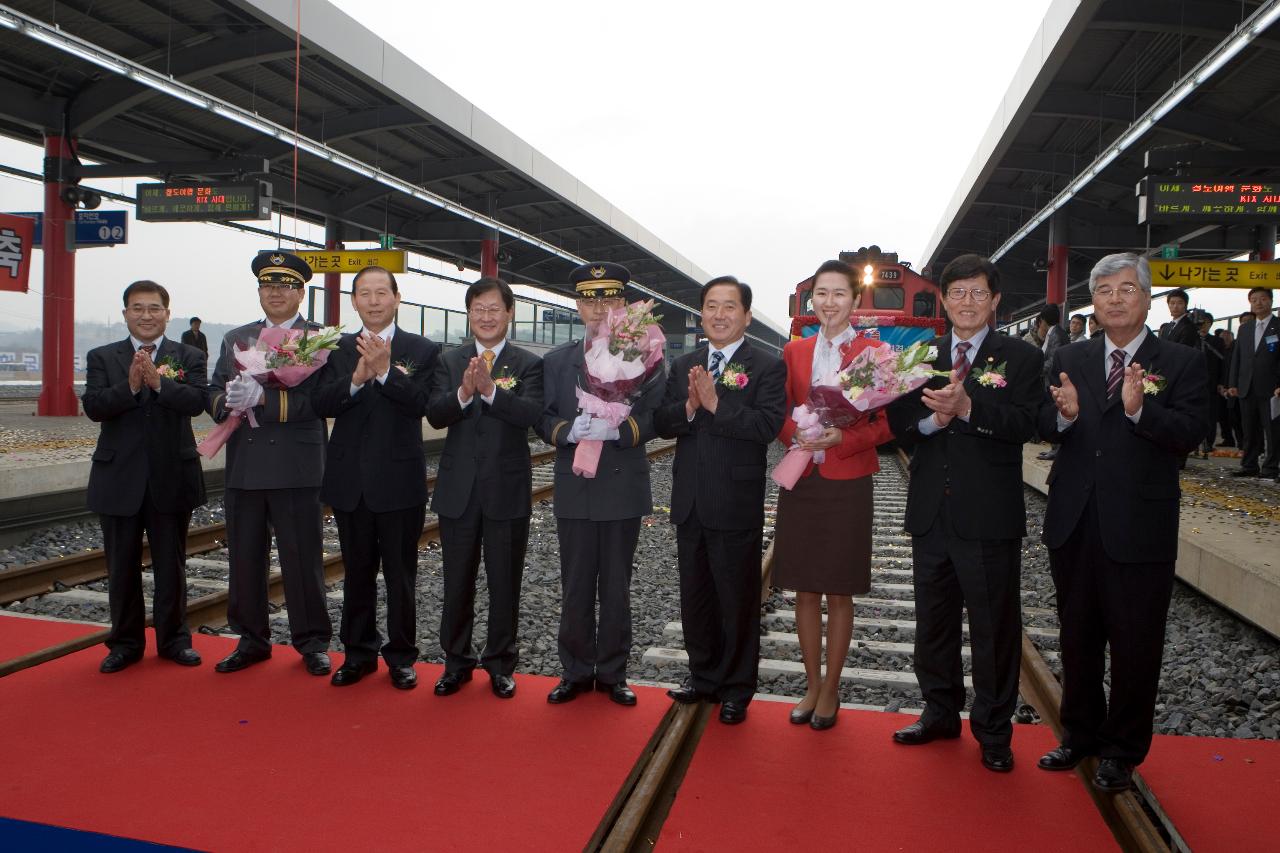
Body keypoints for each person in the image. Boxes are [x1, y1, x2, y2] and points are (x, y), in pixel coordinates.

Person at [1039, 252, 1207, 793]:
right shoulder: (1070, 355)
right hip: (1075, 522)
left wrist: (1140, 411)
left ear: (1147, 297)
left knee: (1137, 644)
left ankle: (1123, 750)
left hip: (1139, 525)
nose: (1114, 298)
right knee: (1078, 634)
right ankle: (1080, 734)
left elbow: (1188, 434)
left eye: (1126, 289)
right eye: (1105, 290)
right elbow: (1046, 422)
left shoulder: (1181, 361)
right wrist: (1060, 418)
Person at [886, 254, 1041, 771]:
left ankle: (994, 731)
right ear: (944, 300)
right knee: (933, 620)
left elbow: (1027, 423)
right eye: (957, 293)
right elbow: (898, 423)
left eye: (978, 293)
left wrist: (971, 409)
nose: (966, 302)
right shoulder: (922, 354)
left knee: (995, 626)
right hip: (931, 511)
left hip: (988, 515)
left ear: (995, 300)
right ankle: (939, 711)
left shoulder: (1019, 357)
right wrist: (933, 419)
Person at [654, 276, 786, 725]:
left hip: (735, 500)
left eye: (730, 306)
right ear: (701, 312)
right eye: (712, 305)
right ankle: (703, 676)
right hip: (689, 499)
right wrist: (690, 408)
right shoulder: (685, 363)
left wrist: (714, 405)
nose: (720, 314)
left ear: (746, 315)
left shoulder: (767, 366)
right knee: (696, 596)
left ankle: (736, 688)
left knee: (737, 598)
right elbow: (662, 422)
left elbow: (766, 426)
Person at [537, 262, 664, 706]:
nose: (598, 308)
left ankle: (612, 672)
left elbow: (657, 417)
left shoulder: (646, 356)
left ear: (623, 304)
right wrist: (566, 432)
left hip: (621, 482)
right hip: (574, 485)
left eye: (608, 298)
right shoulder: (556, 362)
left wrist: (620, 430)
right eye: (589, 299)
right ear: (576, 305)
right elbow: (542, 416)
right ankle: (574, 670)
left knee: (616, 585)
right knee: (573, 585)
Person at [773, 260, 891, 730]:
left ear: (855, 301)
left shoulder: (874, 353)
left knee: (839, 591)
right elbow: (777, 410)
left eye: (839, 293)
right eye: (821, 293)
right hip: (803, 478)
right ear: (810, 300)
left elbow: (882, 425)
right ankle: (810, 683)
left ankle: (833, 687)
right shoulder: (794, 351)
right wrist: (796, 435)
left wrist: (842, 439)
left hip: (847, 480)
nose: (829, 302)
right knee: (804, 588)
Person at [208, 251, 333, 676]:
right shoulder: (236, 339)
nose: (276, 292)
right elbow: (211, 391)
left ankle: (312, 641)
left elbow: (322, 399)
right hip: (246, 462)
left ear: (301, 292)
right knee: (244, 557)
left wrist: (266, 399)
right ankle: (251, 639)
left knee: (302, 558)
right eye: (268, 285)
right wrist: (227, 401)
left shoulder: (321, 338)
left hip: (298, 464)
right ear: (259, 290)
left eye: (285, 285)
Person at [314, 267, 439, 689]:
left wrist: (386, 373)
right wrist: (356, 378)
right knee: (357, 572)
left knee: (401, 574)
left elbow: (421, 404)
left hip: (399, 481)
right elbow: (321, 403)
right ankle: (358, 653)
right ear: (353, 301)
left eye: (380, 292)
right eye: (363, 294)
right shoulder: (336, 349)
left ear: (397, 298)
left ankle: (402, 656)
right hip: (351, 481)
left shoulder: (421, 349)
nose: (372, 301)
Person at [426, 277, 543, 699]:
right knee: (457, 580)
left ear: (509, 313)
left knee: (504, 581)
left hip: (506, 490)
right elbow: (436, 415)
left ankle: (500, 663)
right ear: (469, 314)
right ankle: (456, 663)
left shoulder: (528, 364)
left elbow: (530, 413)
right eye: (479, 309)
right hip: (458, 490)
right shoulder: (449, 359)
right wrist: (463, 391)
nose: (487, 316)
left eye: (495, 309)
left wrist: (492, 391)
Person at [83, 281, 208, 673]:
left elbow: (197, 402)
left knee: (172, 566)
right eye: (138, 308)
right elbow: (95, 407)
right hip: (119, 476)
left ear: (167, 314)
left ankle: (175, 641)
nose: (146, 316)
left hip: (172, 474)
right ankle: (124, 644)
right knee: (121, 566)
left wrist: (159, 383)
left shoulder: (188, 354)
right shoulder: (102, 356)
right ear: (125, 314)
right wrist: (132, 386)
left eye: (154, 308)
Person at [1226, 287, 1280, 480]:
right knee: (1249, 429)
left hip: (1272, 389)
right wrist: (1233, 383)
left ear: (1271, 301)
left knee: (1272, 430)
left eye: (1263, 299)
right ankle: (1249, 465)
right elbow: (1237, 357)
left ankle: (1271, 468)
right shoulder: (1245, 328)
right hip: (1246, 387)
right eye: (1254, 299)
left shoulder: (1278, 325)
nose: (1258, 303)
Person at [1194, 310, 1227, 457]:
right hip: (1193, 383)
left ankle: (1208, 443)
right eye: (1200, 322)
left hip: (1212, 383)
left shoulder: (1217, 341)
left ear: (1210, 324)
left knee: (1211, 415)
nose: (1202, 325)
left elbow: (1223, 363)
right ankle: (1193, 443)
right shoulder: (1192, 339)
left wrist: (1222, 382)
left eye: (1206, 322)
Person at [1217, 329, 1242, 447]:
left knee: (1235, 418)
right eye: (1222, 339)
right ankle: (1228, 439)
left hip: (1234, 388)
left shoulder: (1236, 350)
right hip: (1223, 387)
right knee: (1223, 416)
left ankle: (1242, 442)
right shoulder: (1221, 351)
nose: (1225, 341)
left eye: (1227, 338)